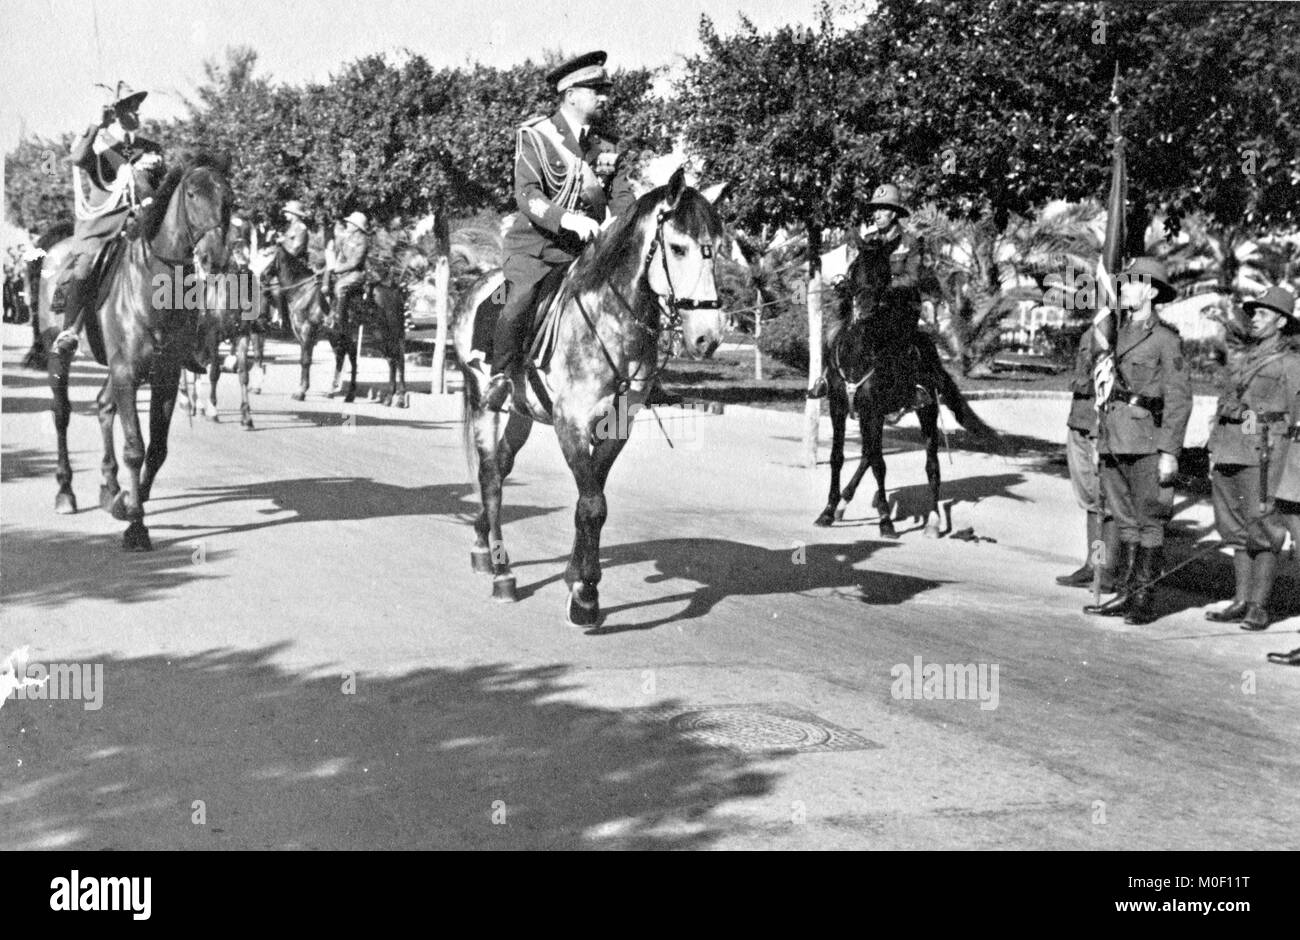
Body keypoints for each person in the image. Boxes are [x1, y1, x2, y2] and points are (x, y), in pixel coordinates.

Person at [483, 50, 636, 411]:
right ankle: (501, 377)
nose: (605, 97)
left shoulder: (607, 146)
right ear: (570, 94)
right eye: (596, 90)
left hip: (588, 252)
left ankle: (639, 380)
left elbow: (622, 197)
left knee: (634, 297)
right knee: (519, 300)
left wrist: (620, 223)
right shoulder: (536, 137)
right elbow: (528, 194)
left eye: (605, 90)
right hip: (538, 247)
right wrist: (568, 219)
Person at [1083, 257, 1192, 625]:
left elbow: (1179, 399)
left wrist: (1170, 452)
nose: (1123, 288)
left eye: (1130, 283)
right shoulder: (1115, 332)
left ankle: (1145, 594)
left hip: (1146, 439)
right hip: (1113, 436)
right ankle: (1127, 593)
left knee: (1149, 520)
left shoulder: (1165, 340)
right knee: (1125, 518)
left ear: (1151, 290)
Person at [1203, 286, 1300, 631]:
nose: (1254, 317)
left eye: (1262, 312)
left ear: (1281, 321)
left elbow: (1294, 414)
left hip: (1263, 451)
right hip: (1230, 445)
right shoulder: (1243, 357)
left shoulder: (1291, 363)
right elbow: (1224, 402)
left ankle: (1259, 605)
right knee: (1234, 527)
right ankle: (1240, 599)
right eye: (1254, 311)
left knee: (1263, 526)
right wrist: (1214, 443)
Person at [807, 183, 947, 410]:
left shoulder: (910, 242)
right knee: (834, 332)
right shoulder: (869, 240)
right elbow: (857, 270)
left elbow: (913, 277)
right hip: (869, 304)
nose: (878, 214)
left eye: (883, 209)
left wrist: (884, 286)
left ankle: (915, 389)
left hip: (901, 305)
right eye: (875, 209)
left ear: (894, 213)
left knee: (901, 341)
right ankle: (824, 380)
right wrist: (846, 282)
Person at [51, 82, 165, 356]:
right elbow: (77, 157)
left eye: (137, 107)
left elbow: (160, 190)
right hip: (103, 229)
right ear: (116, 113)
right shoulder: (100, 147)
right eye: (130, 107)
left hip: (140, 226)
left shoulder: (150, 148)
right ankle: (69, 331)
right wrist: (96, 125)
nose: (137, 113)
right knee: (87, 263)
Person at [1056, 324, 1120, 589]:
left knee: (1107, 502)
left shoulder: (1118, 329)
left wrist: (1102, 430)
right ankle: (1093, 564)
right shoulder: (1092, 329)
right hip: (1079, 420)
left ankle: (1106, 569)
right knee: (1091, 501)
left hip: (1100, 424)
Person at [329, 211, 370, 332]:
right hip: (345, 272)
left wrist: (337, 269)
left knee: (340, 286)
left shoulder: (362, 240)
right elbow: (341, 255)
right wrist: (334, 266)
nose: (347, 224)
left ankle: (339, 319)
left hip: (357, 273)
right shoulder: (348, 238)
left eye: (350, 222)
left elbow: (355, 262)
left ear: (357, 226)